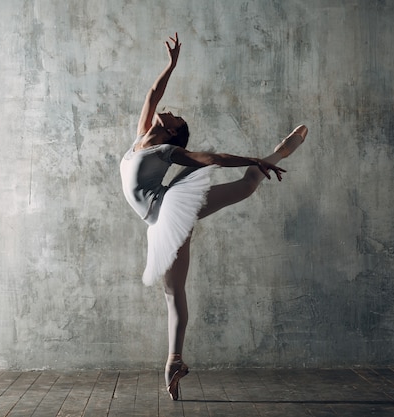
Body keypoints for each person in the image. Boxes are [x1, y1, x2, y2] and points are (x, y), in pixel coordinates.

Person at [119, 33, 308, 400]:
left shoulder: (166, 150)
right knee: (173, 293)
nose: (168, 110)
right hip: (158, 226)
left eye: (174, 116)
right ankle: (174, 362)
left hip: (170, 206)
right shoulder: (142, 136)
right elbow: (152, 95)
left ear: (173, 131)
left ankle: (274, 155)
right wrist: (171, 65)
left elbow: (215, 158)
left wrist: (252, 158)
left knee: (243, 186)